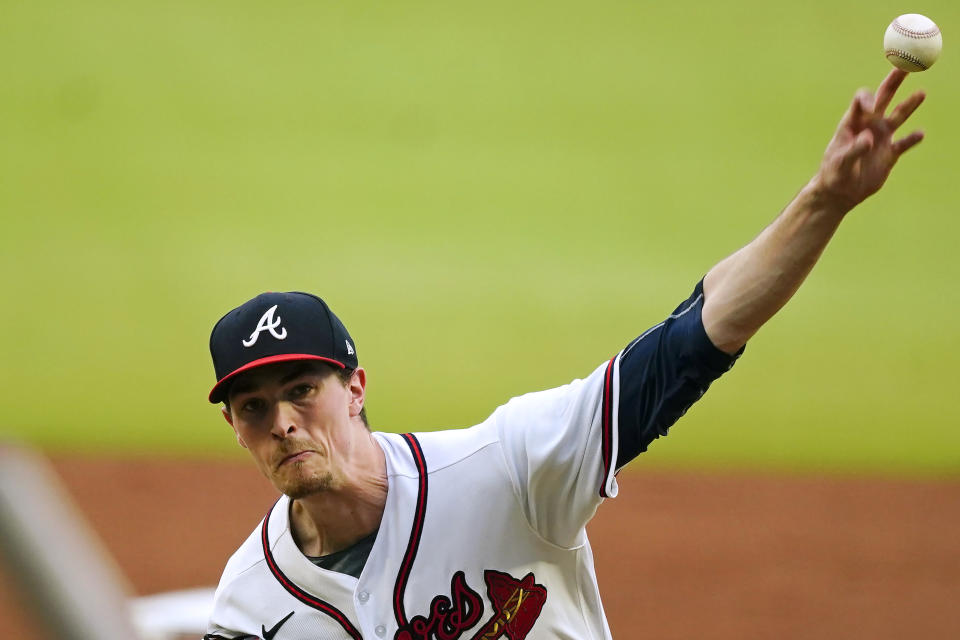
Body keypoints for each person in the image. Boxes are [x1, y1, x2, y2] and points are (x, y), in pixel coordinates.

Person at [203, 69, 926, 640]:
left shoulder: (510, 467)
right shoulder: (247, 603)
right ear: (236, 426)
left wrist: (823, 202)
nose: (284, 422)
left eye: (303, 390)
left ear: (355, 387)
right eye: (255, 407)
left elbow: (690, 341)